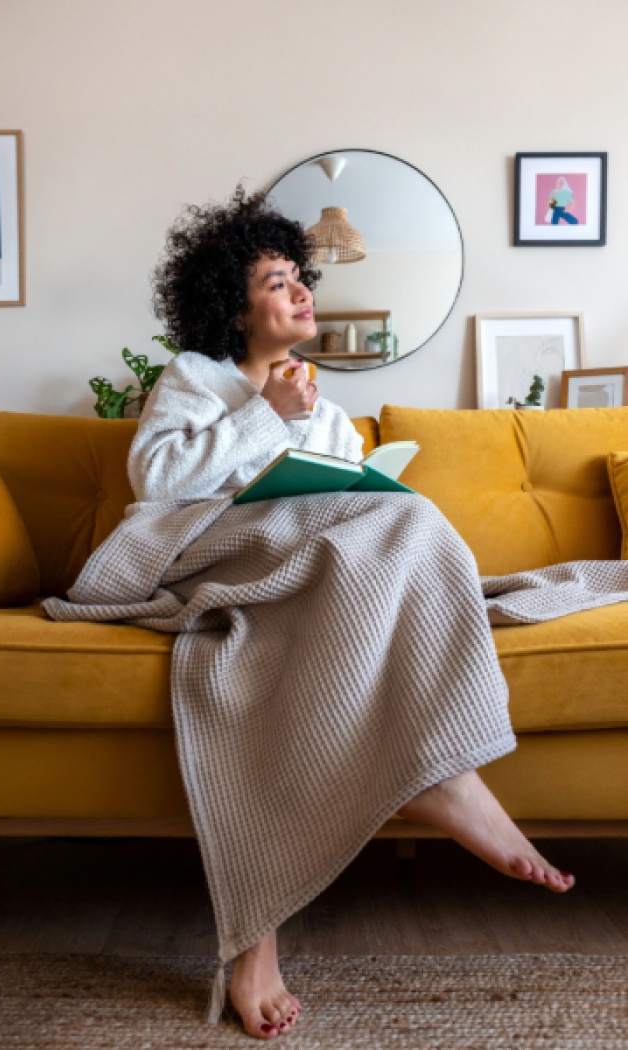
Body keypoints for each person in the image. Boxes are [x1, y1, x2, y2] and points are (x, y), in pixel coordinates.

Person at [47, 186, 576, 1042]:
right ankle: (445, 781)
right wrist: (267, 416)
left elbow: (343, 503)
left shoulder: (325, 410)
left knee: (396, 523)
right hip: (196, 556)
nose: (300, 291)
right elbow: (159, 486)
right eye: (274, 280)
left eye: (301, 277)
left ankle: (275, 923)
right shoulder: (194, 378)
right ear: (231, 303)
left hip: (293, 577)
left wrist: (326, 446)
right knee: (406, 521)